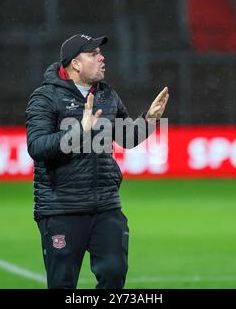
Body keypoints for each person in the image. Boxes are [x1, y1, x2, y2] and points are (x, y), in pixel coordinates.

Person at [25, 33, 169, 289]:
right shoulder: (45, 97)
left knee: (114, 274)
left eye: (100, 53)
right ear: (75, 64)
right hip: (61, 208)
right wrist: (79, 130)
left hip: (105, 205)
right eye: (93, 54)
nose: (102, 58)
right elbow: (37, 147)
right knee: (62, 284)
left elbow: (125, 137)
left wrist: (149, 120)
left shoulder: (107, 95)